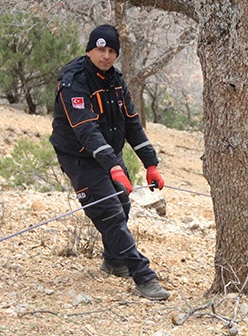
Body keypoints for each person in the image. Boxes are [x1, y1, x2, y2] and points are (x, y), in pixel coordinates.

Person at [50, 24, 170, 300]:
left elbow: (132, 124)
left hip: (108, 153)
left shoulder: (116, 79)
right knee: (110, 213)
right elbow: (85, 129)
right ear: (90, 50)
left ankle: (114, 261)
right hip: (79, 156)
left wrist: (150, 163)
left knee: (123, 202)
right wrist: (114, 167)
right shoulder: (73, 80)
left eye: (111, 51)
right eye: (101, 49)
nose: (106, 56)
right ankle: (144, 277)